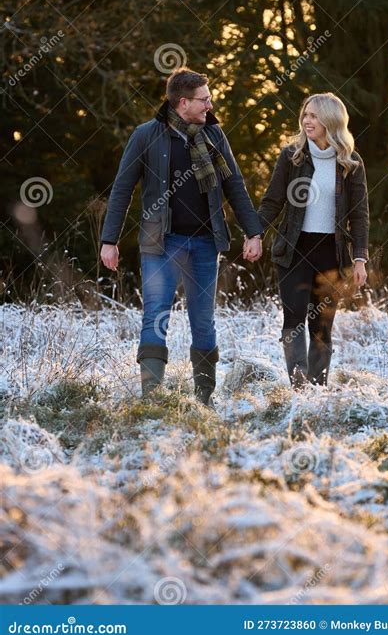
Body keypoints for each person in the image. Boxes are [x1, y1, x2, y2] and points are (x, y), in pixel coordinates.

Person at [100, 67, 263, 406]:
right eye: (204, 100)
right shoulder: (146, 135)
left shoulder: (214, 136)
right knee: (155, 316)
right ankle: (153, 401)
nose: (210, 105)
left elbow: (234, 185)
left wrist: (254, 232)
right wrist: (109, 240)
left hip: (206, 243)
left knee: (203, 321)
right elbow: (122, 189)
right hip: (162, 243)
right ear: (183, 102)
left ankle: (204, 401)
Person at [245, 92, 369, 388]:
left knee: (322, 324)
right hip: (294, 249)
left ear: (331, 121)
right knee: (295, 316)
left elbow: (360, 214)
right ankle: (299, 386)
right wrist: (255, 233)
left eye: (314, 115)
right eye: (306, 114)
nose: (306, 120)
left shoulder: (350, 162)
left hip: (332, 252)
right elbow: (272, 201)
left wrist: (360, 257)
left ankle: (317, 389)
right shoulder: (292, 156)